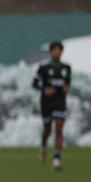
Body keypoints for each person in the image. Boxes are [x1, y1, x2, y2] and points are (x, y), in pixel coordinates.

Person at [32, 41, 71, 170]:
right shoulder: (44, 67)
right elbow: (35, 83)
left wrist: (66, 88)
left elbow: (67, 83)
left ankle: (57, 158)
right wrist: (45, 89)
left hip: (60, 101)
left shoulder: (66, 67)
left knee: (59, 127)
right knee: (47, 129)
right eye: (55, 50)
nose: (57, 52)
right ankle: (43, 147)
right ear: (51, 52)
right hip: (47, 102)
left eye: (59, 50)